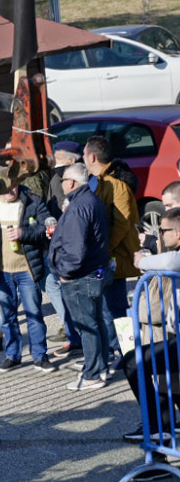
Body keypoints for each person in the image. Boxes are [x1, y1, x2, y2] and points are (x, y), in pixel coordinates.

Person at [118, 206, 180, 481]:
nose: (159, 235)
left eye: (164, 230)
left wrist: (143, 260)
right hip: (172, 337)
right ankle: (160, 443)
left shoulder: (172, 259)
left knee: (135, 362)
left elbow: (170, 264)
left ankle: (158, 431)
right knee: (165, 383)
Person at [0, 183, 53, 373]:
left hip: (27, 270)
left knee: (34, 315)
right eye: (6, 187)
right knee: (8, 317)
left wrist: (24, 233)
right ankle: (12, 356)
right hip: (1, 272)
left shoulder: (33, 201)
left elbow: (46, 228)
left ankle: (40, 357)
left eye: (13, 186)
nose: (10, 190)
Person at [50, 163, 112, 391]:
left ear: (72, 183)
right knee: (96, 323)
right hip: (94, 271)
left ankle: (93, 374)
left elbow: (75, 250)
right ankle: (101, 367)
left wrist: (65, 274)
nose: (62, 183)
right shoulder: (91, 201)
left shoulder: (78, 207)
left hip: (80, 276)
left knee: (87, 326)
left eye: (64, 180)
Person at [85, 135, 140, 361]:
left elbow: (121, 222)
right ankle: (111, 350)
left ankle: (128, 354)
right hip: (100, 257)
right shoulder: (93, 180)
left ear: (92, 156)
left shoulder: (116, 185)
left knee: (116, 309)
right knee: (104, 308)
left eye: (84, 154)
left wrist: (104, 250)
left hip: (111, 258)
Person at [45, 140, 83, 356]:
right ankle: (74, 333)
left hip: (75, 247)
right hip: (60, 243)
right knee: (52, 283)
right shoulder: (56, 178)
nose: (55, 163)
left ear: (72, 160)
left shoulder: (82, 180)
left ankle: (78, 336)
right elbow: (52, 205)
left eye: (59, 158)